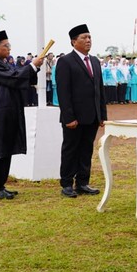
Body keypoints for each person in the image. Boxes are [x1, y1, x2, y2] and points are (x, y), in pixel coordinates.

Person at [0, 30, 44, 199]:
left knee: (6, 148)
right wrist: (31, 65)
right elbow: (14, 78)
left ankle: (1, 185)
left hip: (8, 112)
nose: (9, 48)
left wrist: (34, 68)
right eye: (5, 46)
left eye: (9, 45)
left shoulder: (3, 63)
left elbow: (19, 78)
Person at [55, 24, 107, 198]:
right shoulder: (65, 61)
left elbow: (99, 90)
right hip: (74, 118)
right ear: (73, 41)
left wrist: (102, 115)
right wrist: (69, 117)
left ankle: (83, 182)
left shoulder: (94, 61)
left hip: (92, 116)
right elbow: (63, 92)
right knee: (71, 149)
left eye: (90, 37)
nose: (88, 40)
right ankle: (67, 184)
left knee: (86, 149)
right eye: (84, 37)